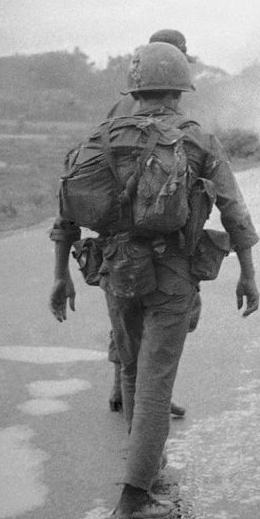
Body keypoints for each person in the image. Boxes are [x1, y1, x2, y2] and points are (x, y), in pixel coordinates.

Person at [49, 42, 260, 519]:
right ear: (180, 89)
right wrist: (247, 272)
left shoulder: (100, 137)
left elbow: (66, 214)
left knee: (130, 368)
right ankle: (135, 498)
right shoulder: (196, 138)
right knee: (155, 383)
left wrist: (60, 276)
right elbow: (234, 209)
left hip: (114, 270)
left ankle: (147, 465)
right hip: (170, 273)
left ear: (136, 88)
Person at [105, 28, 194, 417]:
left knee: (126, 311)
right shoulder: (170, 111)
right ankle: (148, 395)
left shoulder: (124, 103)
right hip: (160, 236)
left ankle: (126, 387)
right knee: (164, 319)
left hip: (119, 237)